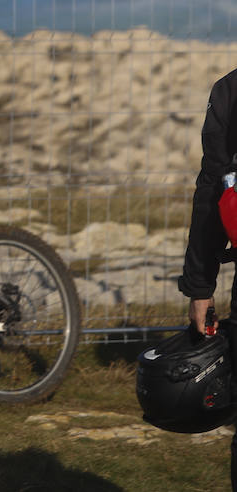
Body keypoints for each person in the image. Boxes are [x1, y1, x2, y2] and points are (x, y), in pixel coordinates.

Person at [178, 66, 237, 489]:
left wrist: (200, 287)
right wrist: (199, 286)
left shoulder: (232, 90)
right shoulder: (231, 91)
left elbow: (213, 188)